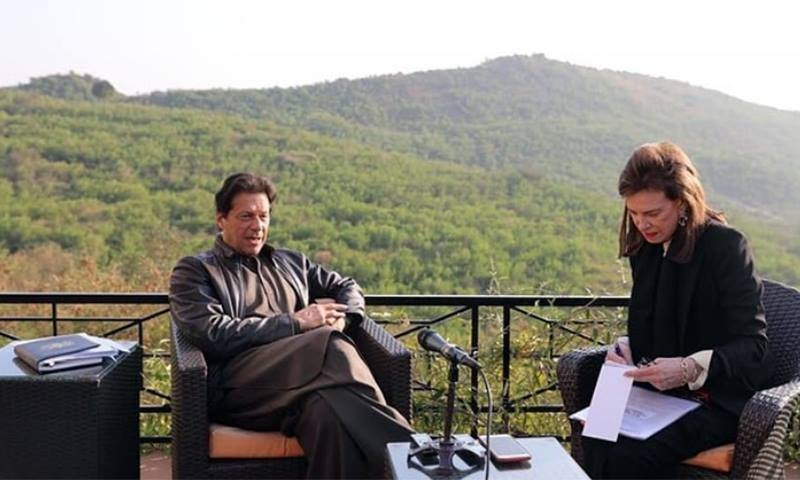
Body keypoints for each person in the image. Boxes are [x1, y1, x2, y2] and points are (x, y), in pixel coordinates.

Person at [169, 172, 414, 479]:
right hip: (240, 387)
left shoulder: (291, 263)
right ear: (221, 219)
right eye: (246, 216)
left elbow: (347, 286)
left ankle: (413, 462)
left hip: (303, 383)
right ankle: (415, 460)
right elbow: (212, 333)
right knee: (330, 344)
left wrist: (346, 318)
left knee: (327, 413)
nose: (257, 226)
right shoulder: (196, 270)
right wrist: (296, 322)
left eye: (263, 216)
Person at [582, 142, 771, 478]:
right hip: (655, 394)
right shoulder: (646, 246)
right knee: (597, 429)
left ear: (683, 203)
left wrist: (687, 368)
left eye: (653, 213)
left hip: (712, 399)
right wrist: (626, 347)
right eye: (634, 213)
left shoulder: (725, 247)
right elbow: (656, 323)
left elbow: (753, 344)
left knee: (627, 455)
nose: (642, 224)